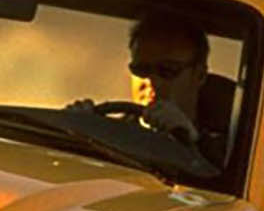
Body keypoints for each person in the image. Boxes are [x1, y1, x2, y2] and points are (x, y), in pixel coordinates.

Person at [71, 11, 212, 147]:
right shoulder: (109, 136)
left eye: (167, 70)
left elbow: (217, 169)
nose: (151, 81)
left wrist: (192, 141)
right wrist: (74, 130)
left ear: (199, 76)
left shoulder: (226, 151)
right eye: (141, 70)